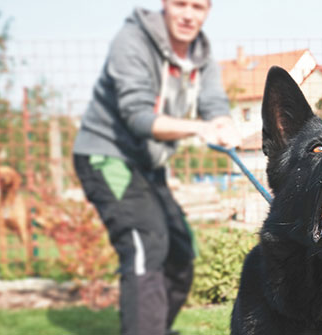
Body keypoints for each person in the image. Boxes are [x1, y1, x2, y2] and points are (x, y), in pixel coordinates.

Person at [72, 1, 239, 334]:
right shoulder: (132, 41)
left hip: (149, 166)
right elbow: (138, 116)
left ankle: (153, 328)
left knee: (179, 252)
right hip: (108, 156)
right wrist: (197, 128)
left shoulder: (202, 56)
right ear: (165, 4)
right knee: (145, 244)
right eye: (180, 4)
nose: (189, 15)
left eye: (198, 7)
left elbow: (214, 103)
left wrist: (222, 123)